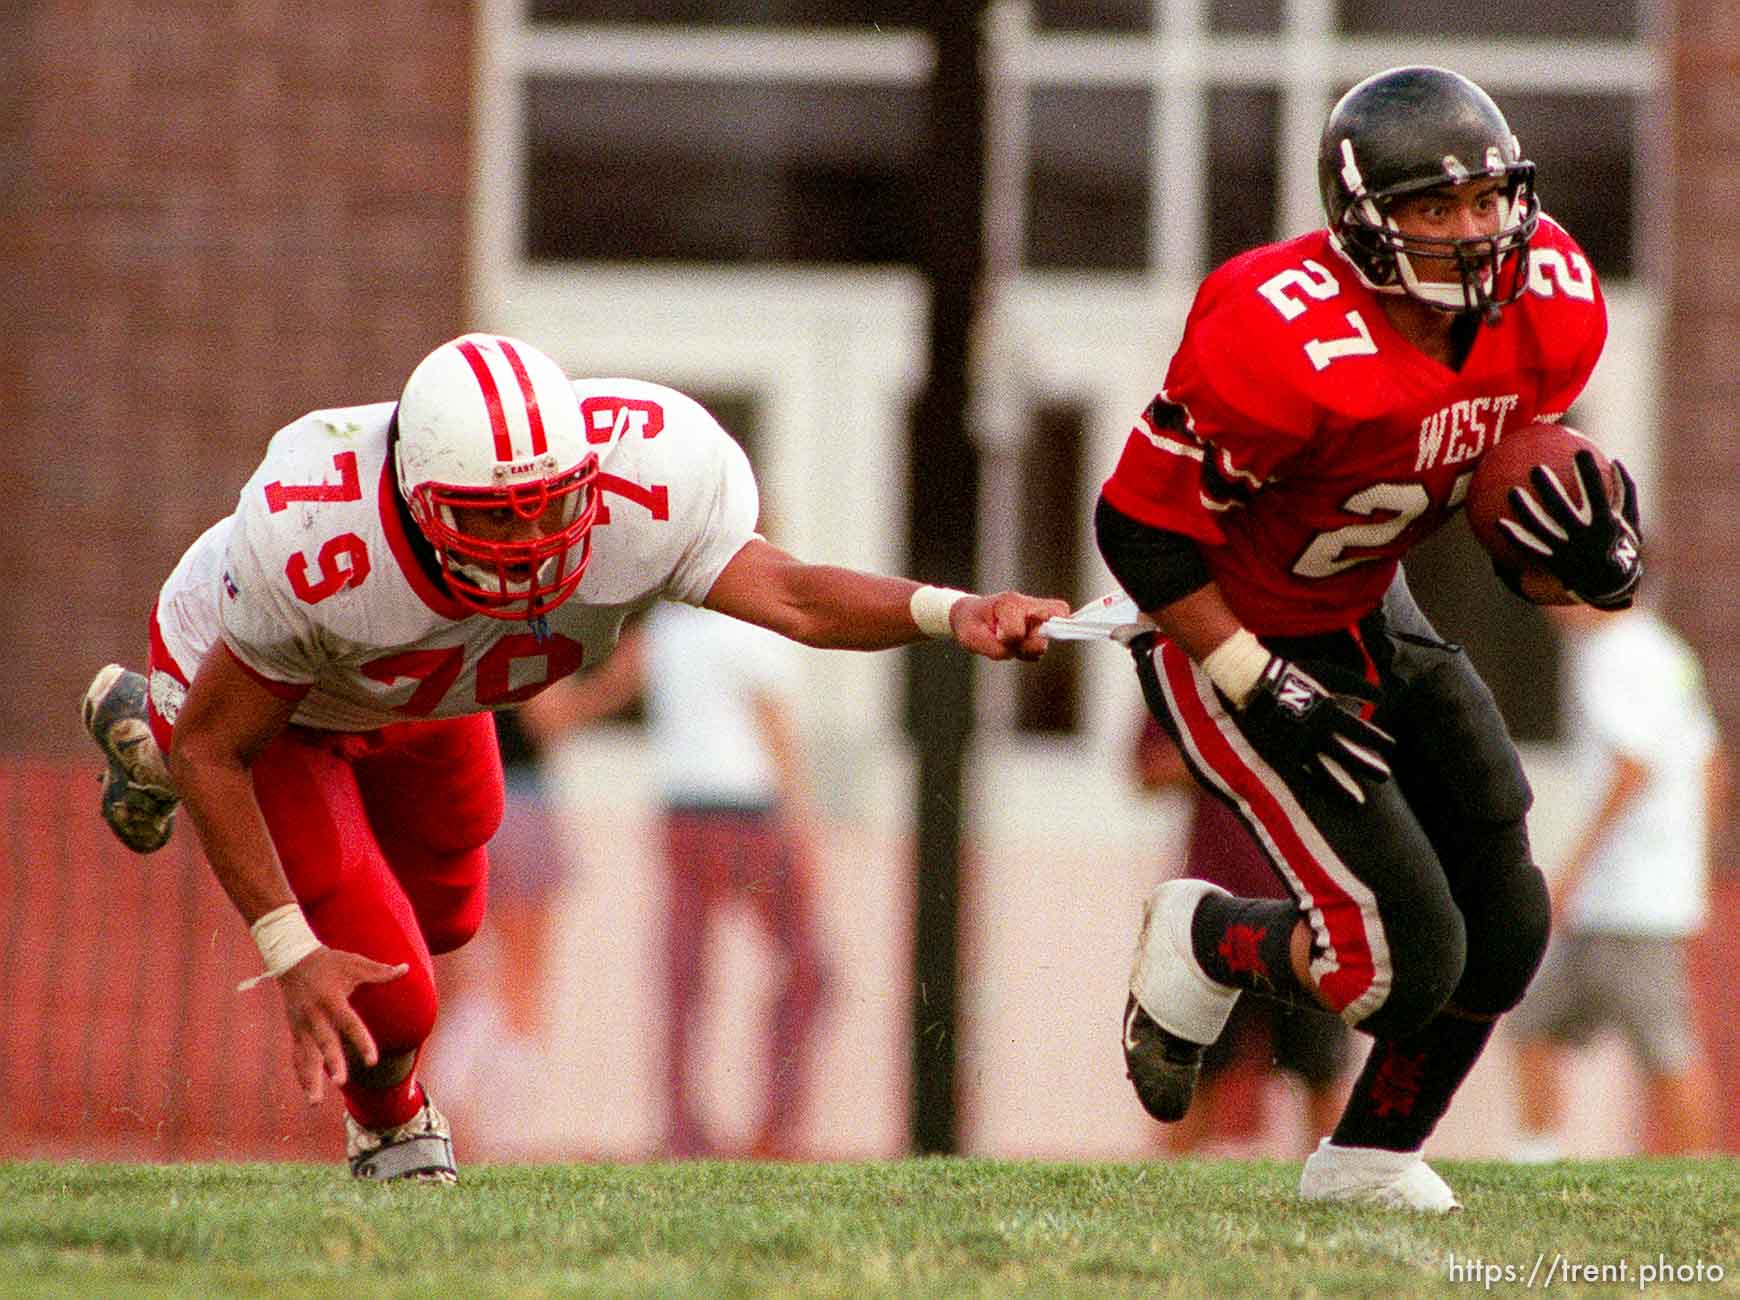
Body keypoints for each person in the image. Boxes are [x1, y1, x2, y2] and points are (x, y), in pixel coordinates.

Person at [78, 332, 1068, 1183]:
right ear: (419, 504)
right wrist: (289, 950)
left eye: (551, 505)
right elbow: (224, 746)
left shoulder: (649, 484)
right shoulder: (320, 537)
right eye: (493, 517)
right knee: (393, 992)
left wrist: (953, 610)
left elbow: (799, 596)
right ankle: (394, 1130)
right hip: (274, 707)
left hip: (432, 690)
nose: (533, 542)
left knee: (454, 912)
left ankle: (153, 744)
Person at [1089, 66, 1644, 1211]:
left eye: (1485, 200)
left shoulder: (1550, 300)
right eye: (1433, 210)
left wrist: (1590, 555)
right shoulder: (1276, 335)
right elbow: (1136, 532)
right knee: (1401, 966)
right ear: (1362, 223)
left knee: (1507, 921)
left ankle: (1368, 1159)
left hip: (1365, 602)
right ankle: (1211, 938)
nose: (1473, 231)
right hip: (1228, 630)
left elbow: (1499, 485)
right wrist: (1254, 678)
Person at [530, 601, 834, 1159]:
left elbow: (574, 708)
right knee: (809, 968)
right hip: (749, 814)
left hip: (684, 815)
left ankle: (682, 1131)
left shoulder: (666, 627)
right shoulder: (758, 622)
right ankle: (776, 1128)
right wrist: (802, 826)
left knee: (684, 979)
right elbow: (774, 728)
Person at [1508, 602, 1724, 1160]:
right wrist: (1693, 869)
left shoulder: (1614, 655)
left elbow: (1633, 766)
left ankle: (1698, 1173)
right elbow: (1711, 759)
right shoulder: (1663, 646)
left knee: (1667, 1049)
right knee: (1533, 1020)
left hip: (1631, 897)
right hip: (1639, 892)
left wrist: (1570, 869)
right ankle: (1538, 1157)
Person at [1132, 714, 1350, 1157]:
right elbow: (1149, 770)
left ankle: (1342, 1190)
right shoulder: (1187, 669)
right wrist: (1225, 753)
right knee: (1189, 1076)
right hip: (1216, 909)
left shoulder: (1319, 670)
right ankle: (1163, 1203)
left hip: (1308, 909)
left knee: (1322, 1073)